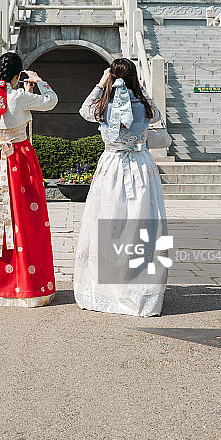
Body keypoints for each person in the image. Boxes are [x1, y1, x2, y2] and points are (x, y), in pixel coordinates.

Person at [73, 58, 169, 317]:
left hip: (112, 166)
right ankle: (141, 289)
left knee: (107, 221)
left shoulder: (103, 106)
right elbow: (157, 114)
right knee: (142, 223)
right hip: (140, 166)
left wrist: (102, 81)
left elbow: (83, 109)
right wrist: (139, 86)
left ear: (112, 77)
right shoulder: (144, 106)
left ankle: (106, 285)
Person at [0, 52, 58, 307]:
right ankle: (27, 283)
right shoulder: (19, 97)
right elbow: (51, 101)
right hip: (19, 159)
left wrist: (23, 92)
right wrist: (39, 82)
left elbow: (5, 111)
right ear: (18, 75)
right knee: (25, 219)